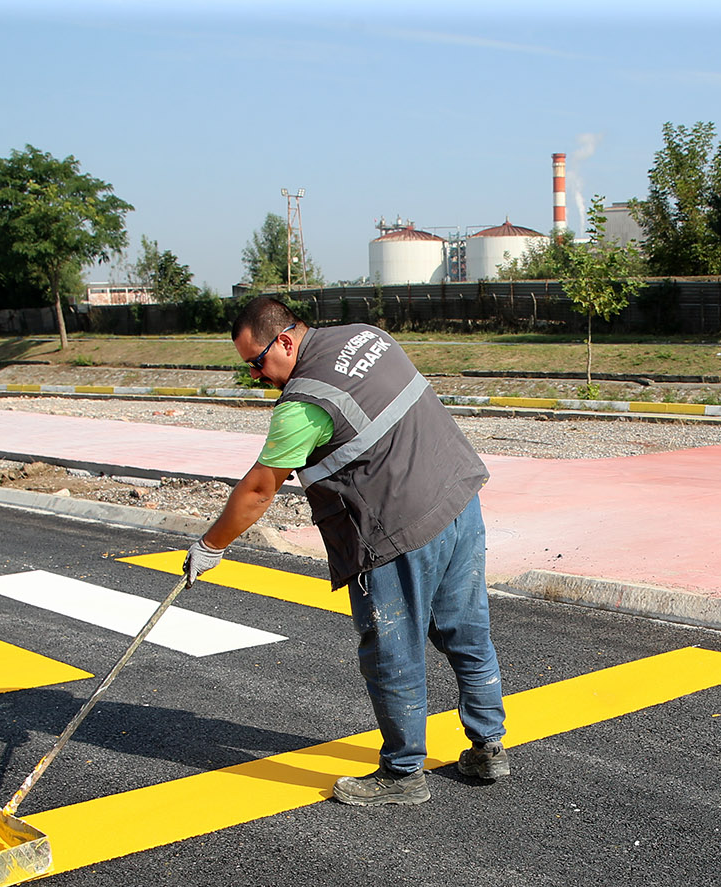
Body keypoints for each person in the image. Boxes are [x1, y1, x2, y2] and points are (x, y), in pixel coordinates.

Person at [187, 296, 507, 807]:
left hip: (397, 530)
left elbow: (259, 490)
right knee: (466, 631)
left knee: (392, 652)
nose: (256, 375)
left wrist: (211, 545)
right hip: (458, 499)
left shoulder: (303, 403)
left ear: (285, 341)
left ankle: (403, 775)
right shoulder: (366, 335)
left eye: (257, 362)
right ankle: (489, 746)